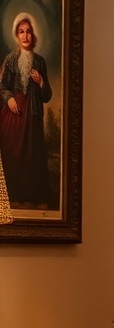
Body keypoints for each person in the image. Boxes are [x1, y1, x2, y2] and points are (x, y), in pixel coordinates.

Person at [0, 13, 52, 208]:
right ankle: (13, 197)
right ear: (16, 35)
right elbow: (1, 86)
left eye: (28, 31)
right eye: (21, 32)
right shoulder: (11, 59)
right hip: (13, 114)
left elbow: (47, 96)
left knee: (32, 156)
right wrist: (10, 98)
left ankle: (31, 196)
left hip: (33, 114)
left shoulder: (40, 62)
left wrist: (41, 82)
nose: (25, 36)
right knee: (13, 153)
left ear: (33, 35)